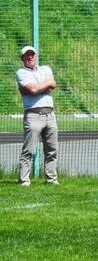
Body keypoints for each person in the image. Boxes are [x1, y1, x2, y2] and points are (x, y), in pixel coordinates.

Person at [15, 46, 59, 186]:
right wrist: (44, 85)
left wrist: (39, 86)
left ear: (35, 56)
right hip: (33, 115)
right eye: (27, 55)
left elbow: (53, 84)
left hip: (50, 115)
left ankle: (51, 179)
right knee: (29, 150)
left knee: (52, 150)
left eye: (32, 54)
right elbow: (32, 89)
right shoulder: (21, 73)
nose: (30, 57)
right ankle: (24, 180)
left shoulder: (46, 69)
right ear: (22, 58)